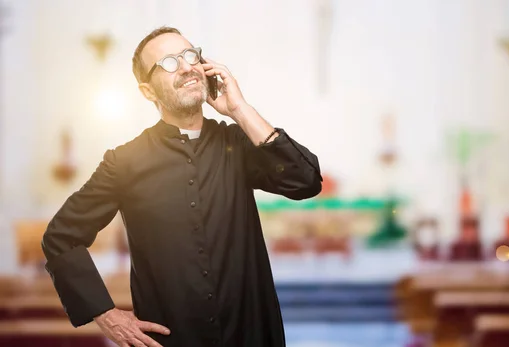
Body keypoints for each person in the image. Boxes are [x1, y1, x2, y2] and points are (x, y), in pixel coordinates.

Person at [41, 26, 322, 347]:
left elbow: (306, 181)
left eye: (191, 55)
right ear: (148, 92)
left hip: (251, 333)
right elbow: (61, 238)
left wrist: (240, 110)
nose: (188, 66)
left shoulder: (237, 144)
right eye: (169, 62)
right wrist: (106, 314)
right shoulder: (125, 162)